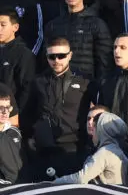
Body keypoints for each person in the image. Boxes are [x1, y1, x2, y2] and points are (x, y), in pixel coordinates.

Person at [28, 35, 92, 178]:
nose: (56, 60)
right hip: (44, 148)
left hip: (73, 148)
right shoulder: (38, 81)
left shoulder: (85, 81)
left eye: (61, 56)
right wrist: (32, 136)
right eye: (52, 57)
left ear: (70, 55)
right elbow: (29, 111)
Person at [44, 0, 111, 80]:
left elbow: (105, 63)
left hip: (87, 85)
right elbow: (46, 59)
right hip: (56, 84)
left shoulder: (97, 24)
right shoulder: (52, 26)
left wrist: (99, 86)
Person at [52, 110, 127, 184]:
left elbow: (81, 178)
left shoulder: (105, 153)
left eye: (94, 128)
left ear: (101, 132)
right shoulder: (118, 151)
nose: (92, 134)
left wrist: (55, 183)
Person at [0, 9, 34, 119]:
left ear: (15, 27)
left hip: (10, 116)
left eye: (3, 25)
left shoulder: (23, 54)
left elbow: (26, 89)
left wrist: (16, 116)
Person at [0, 84, 21, 182]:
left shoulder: (14, 133)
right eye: (0, 108)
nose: (5, 112)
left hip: (20, 186)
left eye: (7, 108)